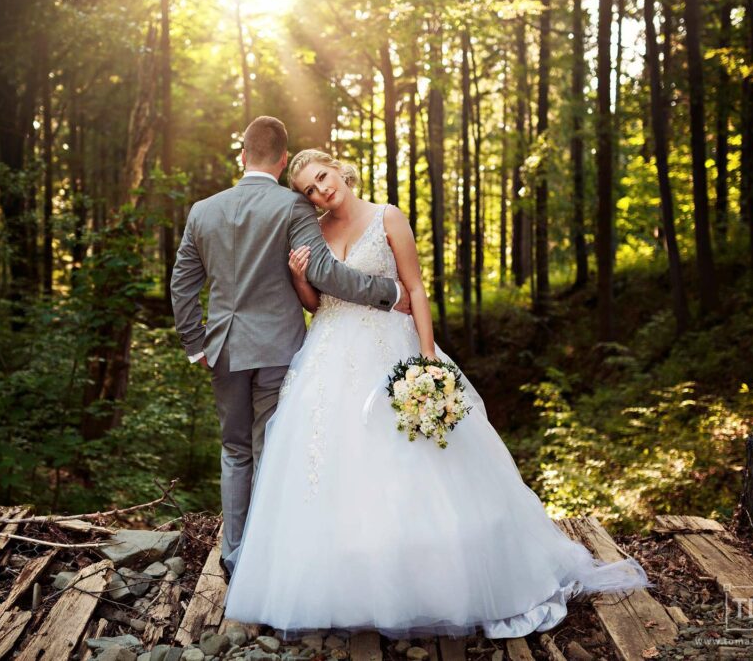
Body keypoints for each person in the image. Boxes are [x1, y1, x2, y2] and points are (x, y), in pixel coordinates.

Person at [222, 149, 649, 639]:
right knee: (328, 468)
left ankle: (428, 583)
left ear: (339, 167)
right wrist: (300, 278)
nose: (322, 192)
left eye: (323, 178)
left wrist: (427, 359)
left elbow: (416, 289)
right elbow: (319, 306)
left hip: (391, 346)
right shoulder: (312, 230)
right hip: (328, 353)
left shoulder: (388, 216)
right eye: (310, 190)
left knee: (414, 465)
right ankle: (347, 588)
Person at [170, 118, 411, 574]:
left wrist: (194, 342)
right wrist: (390, 292)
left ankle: (234, 555)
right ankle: (266, 556)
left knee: (234, 449)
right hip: (279, 346)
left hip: (223, 348)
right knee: (270, 447)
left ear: (242, 156)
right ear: (283, 162)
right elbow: (324, 272)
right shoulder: (291, 206)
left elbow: (182, 283)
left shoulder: (203, 210)